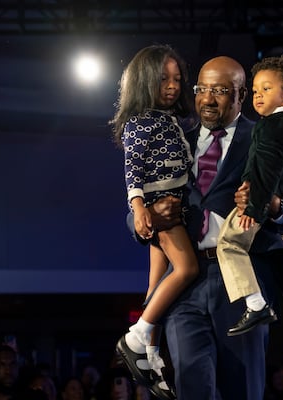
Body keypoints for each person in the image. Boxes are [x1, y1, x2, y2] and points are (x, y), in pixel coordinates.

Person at [127, 55, 283, 399]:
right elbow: (135, 204)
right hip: (186, 282)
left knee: (242, 389)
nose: (207, 99)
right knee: (192, 387)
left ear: (242, 95)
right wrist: (148, 216)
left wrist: (273, 205)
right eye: (202, 89)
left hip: (243, 284)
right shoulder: (172, 137)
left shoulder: (270, 140)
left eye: (221, 91)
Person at [109, 44, 197, 400]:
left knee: (155, 286)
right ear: (144, 81)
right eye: (163, 79)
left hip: (171, 203)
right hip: (162, 206)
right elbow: (133, 169)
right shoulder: (139, 123)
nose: (173, 86)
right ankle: (137, 336)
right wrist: (140, 207)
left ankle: (150, 355)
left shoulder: (170, 120)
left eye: (177, 79)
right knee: (187, 268)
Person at [215, 54, 283, 336]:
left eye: (266, 88)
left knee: (229, 243)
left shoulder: (269, 126)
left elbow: (268, 167)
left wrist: (254, 207)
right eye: (256, 90)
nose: (258, 95)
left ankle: (255, 303)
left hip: (259, 199)